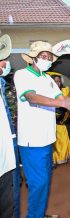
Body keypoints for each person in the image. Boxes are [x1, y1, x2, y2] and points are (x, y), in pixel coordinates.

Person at [14, 41, 70, 217]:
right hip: (31, 140)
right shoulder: (22, 75)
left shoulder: (48, 78)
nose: (48, 60)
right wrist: (64, 102)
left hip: (47, 138)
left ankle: (39, 213)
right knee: (39, 183)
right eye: (44, 57)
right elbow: (32, 97)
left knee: (45, 181)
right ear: (33, 58)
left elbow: (60, 96)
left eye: (50, 58)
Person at [0, 34, 17, 218]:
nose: (6, 63)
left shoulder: (2, 84)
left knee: (7, 206)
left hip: (5, 158)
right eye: (3, 59)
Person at [50, 74, 70, 165]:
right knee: (55, 141)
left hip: (63, 119)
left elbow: (67, 103)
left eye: (59, 81)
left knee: (63, 138)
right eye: (56, 81)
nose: (58, 83)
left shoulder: (65, 90)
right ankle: (55, 158)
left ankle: (63, 157)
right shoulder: (47, 92)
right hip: (52, 120)